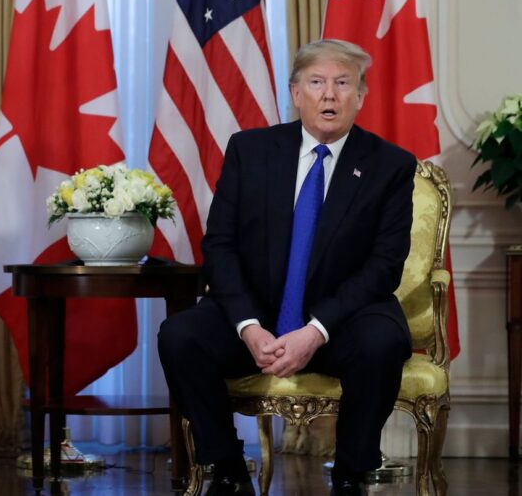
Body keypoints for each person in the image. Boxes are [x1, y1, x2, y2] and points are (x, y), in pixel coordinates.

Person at [158, 39, 416, 496]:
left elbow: (383, 267)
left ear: (361, 96)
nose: (330, 95)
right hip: (256, 313)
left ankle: (352, 476)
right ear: (297, 94)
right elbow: (220, 245)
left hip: (341, 320)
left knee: (382, 340)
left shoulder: (389, 165)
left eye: (342, 83)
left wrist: (314, 331)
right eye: (317, 82)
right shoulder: (250, 150)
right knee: (180, 335)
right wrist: (249, 327)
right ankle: (228, 470)